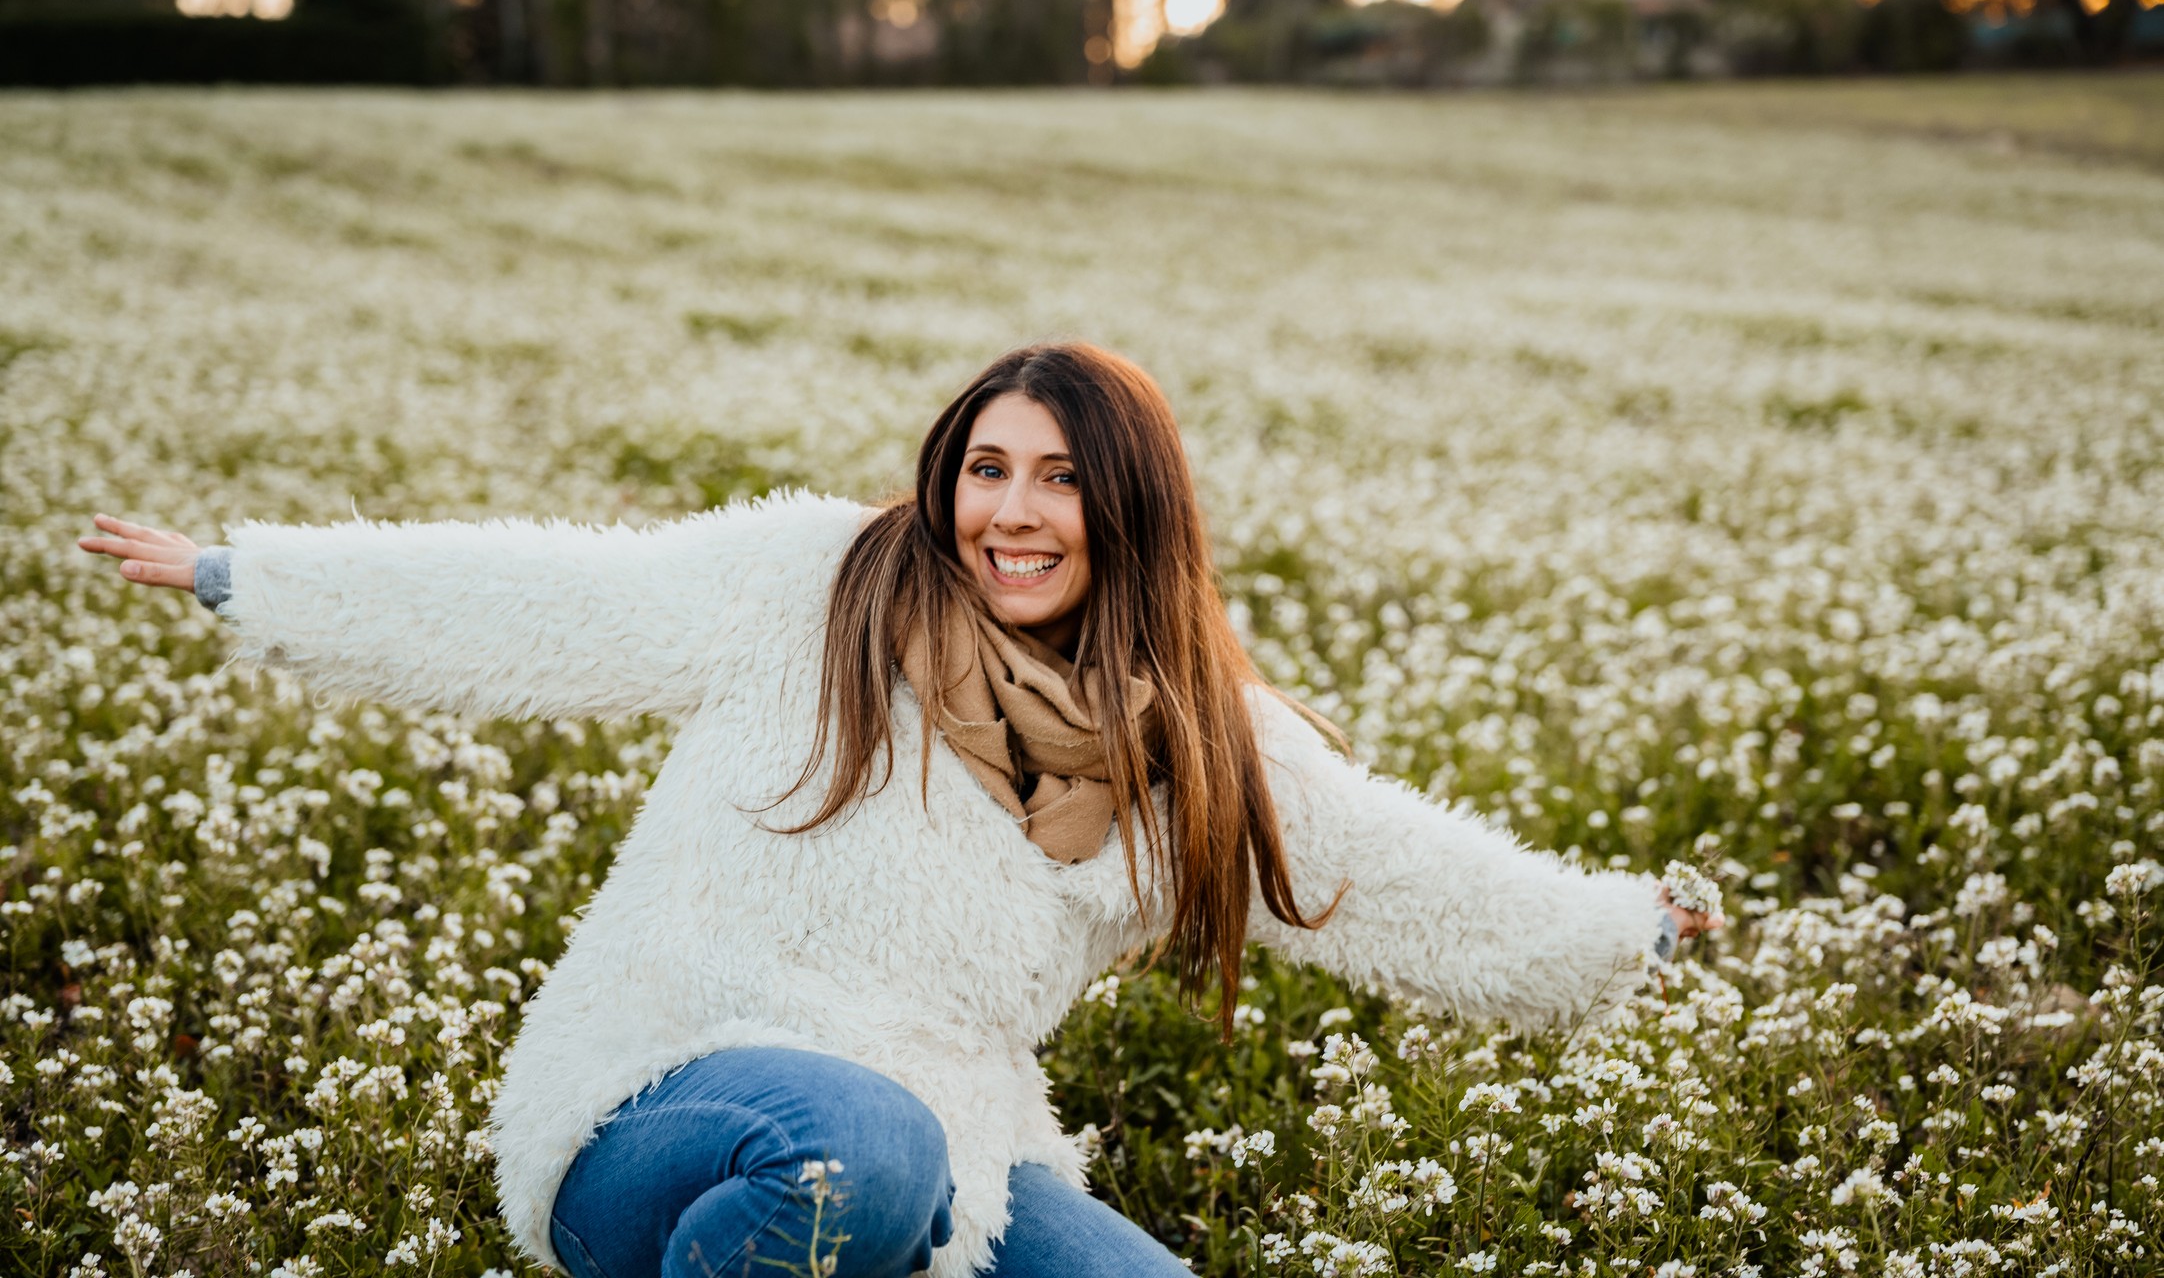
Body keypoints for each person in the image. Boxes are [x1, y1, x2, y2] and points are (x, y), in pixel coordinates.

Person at [82, 342, 1719, 1278]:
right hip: (668, 1108)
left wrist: (1619, 928)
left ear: (1130, 509)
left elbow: (1386, 872)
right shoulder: (820, 586)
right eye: (989, 467)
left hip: (956, 1161)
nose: (1013, 512)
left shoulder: (1199, 747)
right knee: (856, 1147)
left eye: (1064, 478)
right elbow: (559, 601)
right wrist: (261, 576)